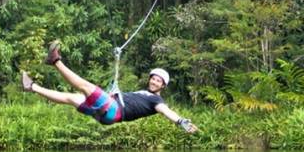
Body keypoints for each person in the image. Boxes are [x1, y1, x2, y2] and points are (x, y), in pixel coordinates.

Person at [21, 42, 198, 133]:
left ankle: (55, 61)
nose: (154, 82)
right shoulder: (142, 93)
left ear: (163, 86)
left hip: (113, 111)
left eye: (158, 81)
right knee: (72, 98)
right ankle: (32, 87)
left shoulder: (156, 100)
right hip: (108, 115)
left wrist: (180, 121)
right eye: (153, 79)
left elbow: (166, 111)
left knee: (86, 86)